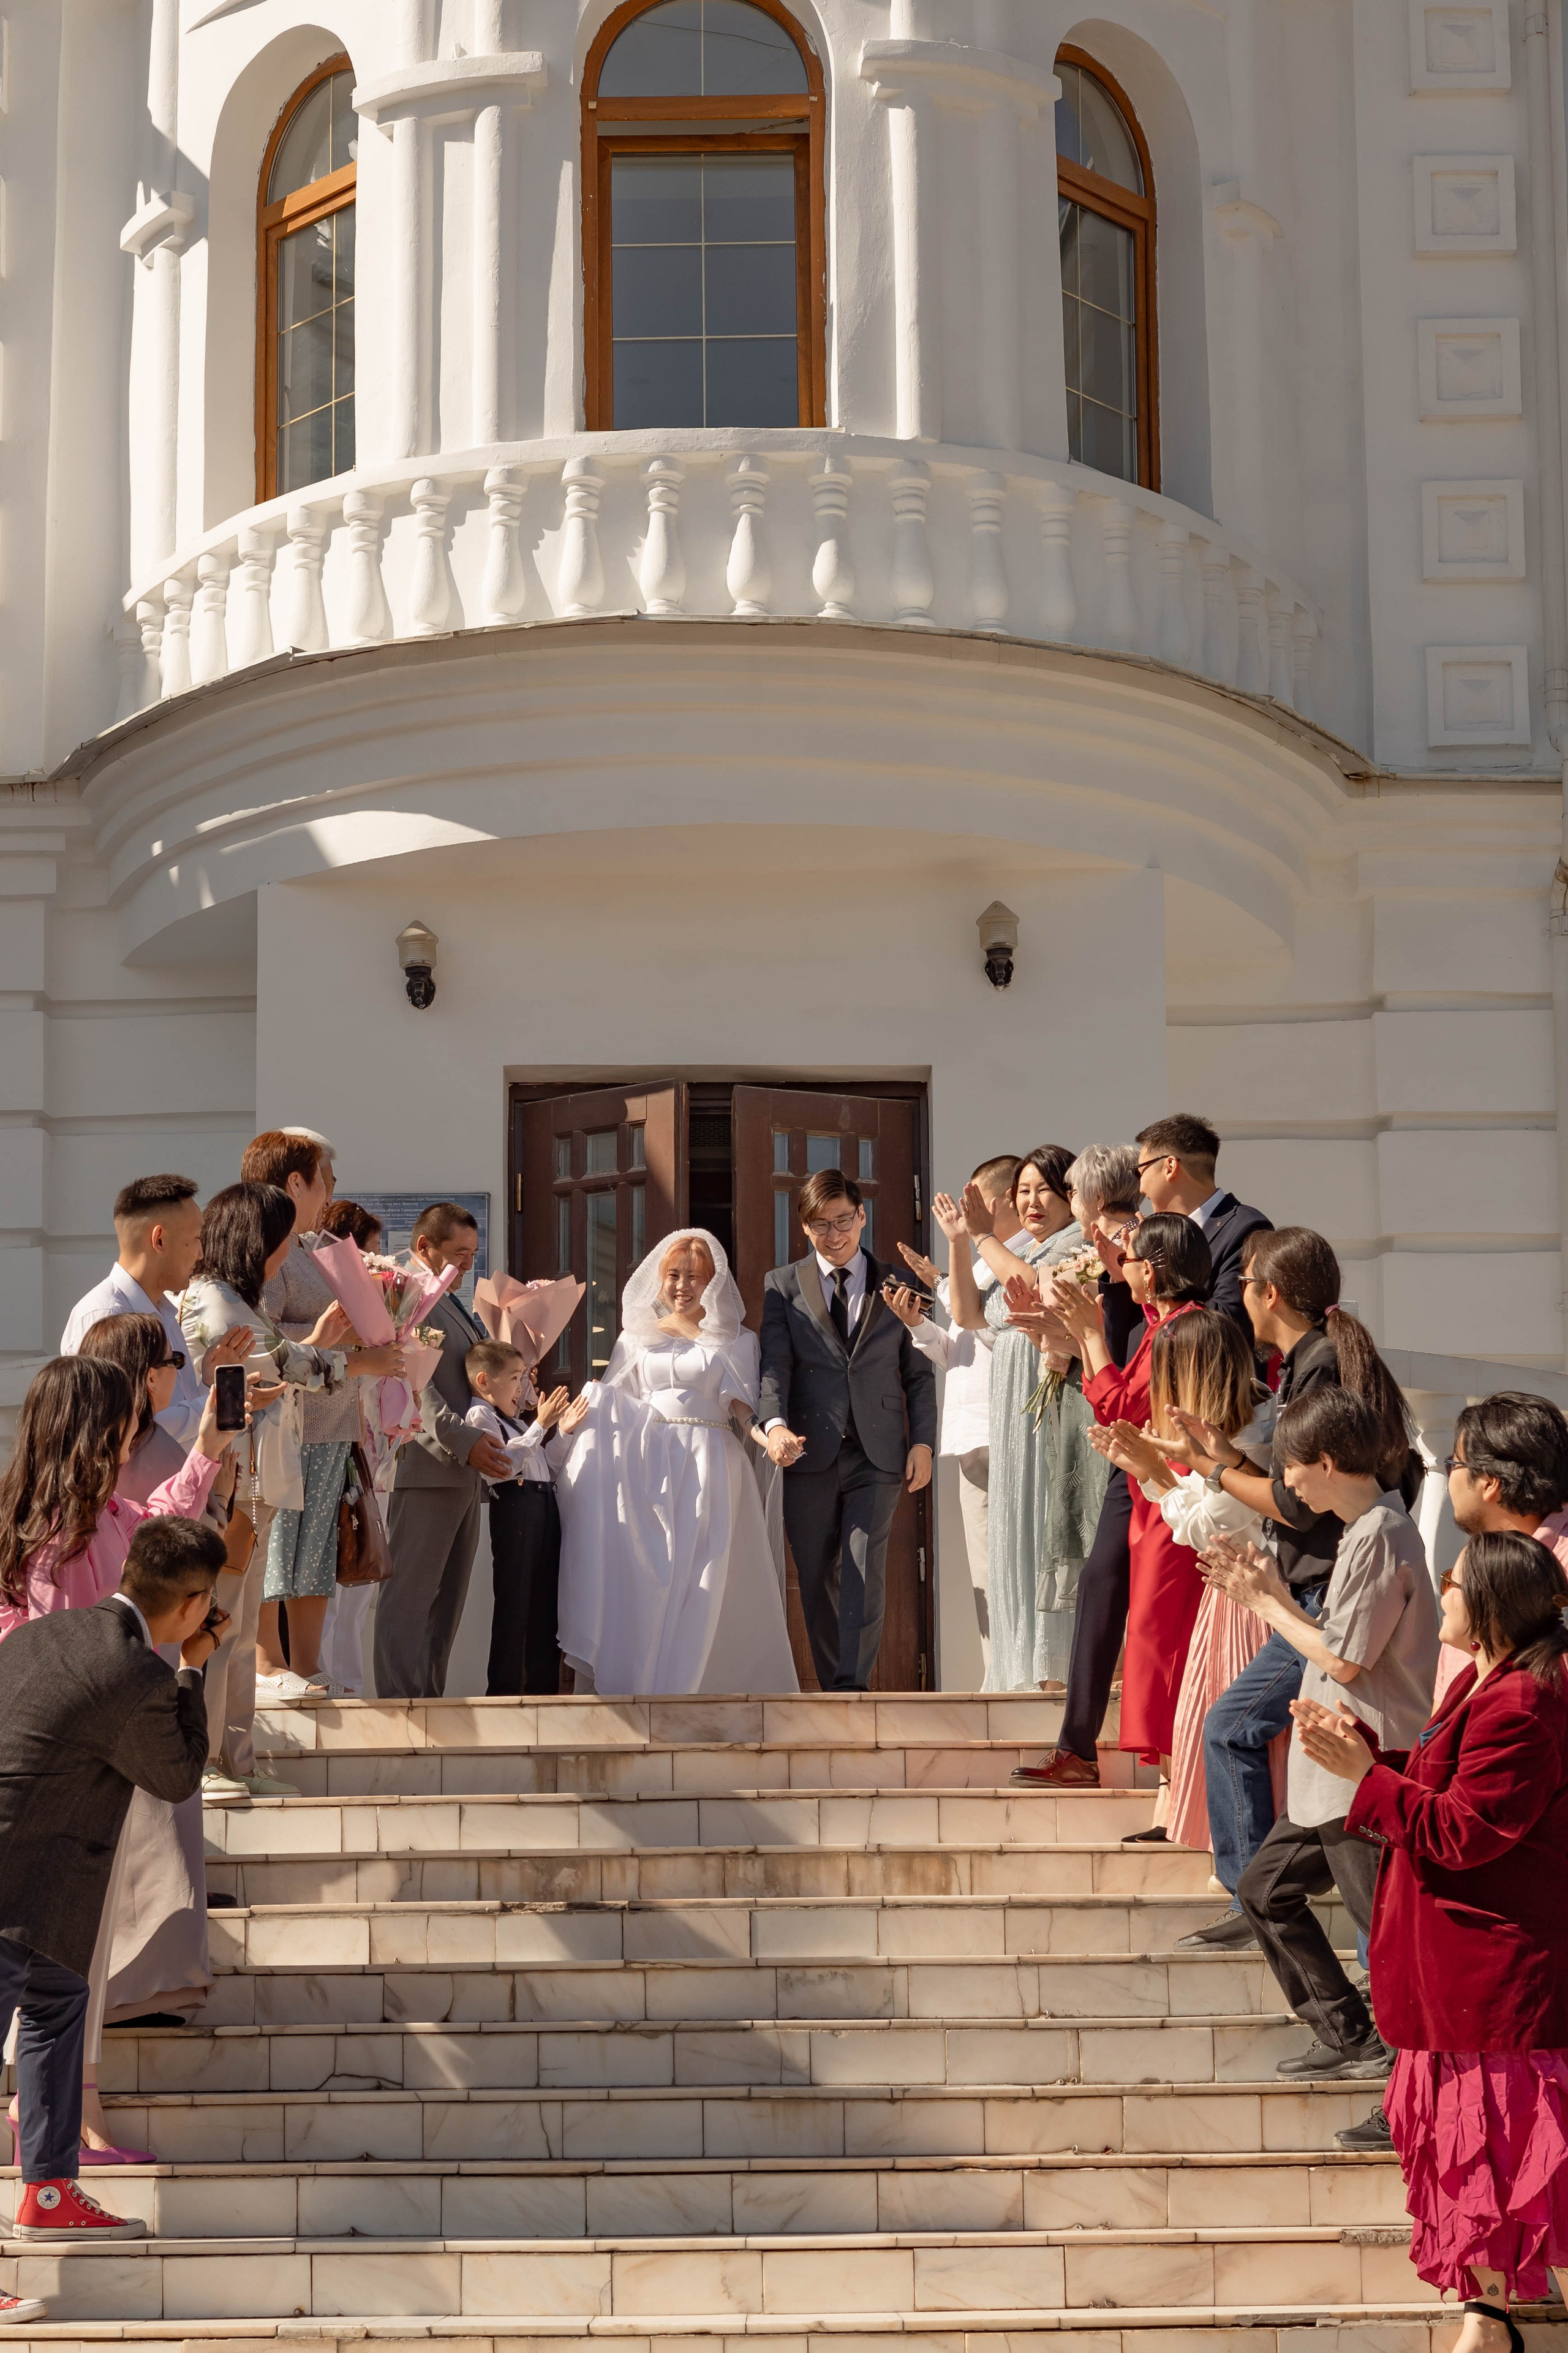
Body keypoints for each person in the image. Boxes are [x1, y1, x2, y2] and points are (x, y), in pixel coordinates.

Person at [1294, 1529, 1568, 2344]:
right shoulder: (1488, 1683)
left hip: (1494, 1971)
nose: (1439, 1592)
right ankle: (1492, 2314)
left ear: (1487, 1601)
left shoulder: (1524, 1701)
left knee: (1498, 2148)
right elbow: (1442, 1787)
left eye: (1450, 1580)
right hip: (1454, 1972)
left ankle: (1490, 2322)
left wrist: (1363, 1779)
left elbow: (1465, 1831)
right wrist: (1369, 1757)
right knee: (1471, 2149)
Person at [0, 1354, 241, 2155]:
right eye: (127, 1424)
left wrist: (208, 1448)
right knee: (55, 1967)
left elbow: (160, 1520)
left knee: (71, 1968)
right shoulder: (58, 1537)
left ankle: (68, 2128)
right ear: (95, 1430)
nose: (136, 1437)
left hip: (79, 1776)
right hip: (50, 1783)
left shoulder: (90, 1516)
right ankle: (60, 2132)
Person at [1161, 1226, 1418, 1946]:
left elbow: (1299, 1500)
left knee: (1242, 1733)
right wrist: (1221, 1455)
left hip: (1327, 1595)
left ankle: (1263, 1905)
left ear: (1268, 1292)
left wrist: (1215, 1471)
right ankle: (1266, 1903)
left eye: (1244, 1280)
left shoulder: (1320, 1364)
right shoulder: (1311, 1360)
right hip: (1321, 1591)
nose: (1239, 1294)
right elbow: (1290, 1485)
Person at [0, 1514, 223, 2278]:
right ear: (194, 1605)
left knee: (60, 2001)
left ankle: (51, 2192)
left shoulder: (42, 1635)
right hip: (11, 1883)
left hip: (39, 1884)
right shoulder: (140, 1675)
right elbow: (176, 1774)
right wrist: (193, 1671)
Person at [1202, 1387, 1438, 2079]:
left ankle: (1407, 2078)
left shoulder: (1381, 1533)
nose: (1287, 1483)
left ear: (1328, 1462)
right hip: (1330, 1768)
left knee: (1385, 1932)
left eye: (1292, 1467)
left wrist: (1263, 1603)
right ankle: (1347, 2033)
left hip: (1363, 1766)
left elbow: (1344, 1656)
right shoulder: (1365, 1532)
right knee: (1263, 1891)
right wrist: (1271, 1593)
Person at [556, 1229, 798, 1694]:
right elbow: (616, 1401)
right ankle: (643, 1682)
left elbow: (741, 1406)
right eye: (673, 1275)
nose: (683, 1285)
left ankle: (698, 1684)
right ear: (658, 1280)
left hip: (709, 1460)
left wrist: (768, 1438)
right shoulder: (635, 1338)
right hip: (644, 1470)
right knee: (650, 1577)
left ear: (713, 1281)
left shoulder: (735, 1340)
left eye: (694, 1276)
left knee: (703, 1575)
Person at [181, 1181, 360, 1794]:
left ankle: (237, 1758)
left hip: (256, 1482)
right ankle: (207, 1760)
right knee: (220, 1625)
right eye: (283, 1240)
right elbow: (270, 1370)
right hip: (231, 1485)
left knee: (239, 1626)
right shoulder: (214, 1301)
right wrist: (334, 1356)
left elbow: (270, 1367)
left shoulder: (235, 1296)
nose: (289, 1252)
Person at [74, 1316, 227, 2031]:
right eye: (167, 1360)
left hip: (134, 1678)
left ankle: (144, 1993)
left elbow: (149, 1523)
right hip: (96, 1702)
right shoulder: (66, 1508)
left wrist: (207, 1452)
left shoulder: (101, 1494)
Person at [1087, 1307, 1280, 1852]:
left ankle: (1246, 1873)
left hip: (1253, 1602)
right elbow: (1197, 1506)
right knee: (1209, 1726)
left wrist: (1151, 1470)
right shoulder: (1240, 1419)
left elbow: (1205, 1523)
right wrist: (1151, 1468)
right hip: (1229, 1596)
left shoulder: (1254, 1430)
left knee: (1231, 1734)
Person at [1042, 1211, 1213, 1791]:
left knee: (1158, 1634)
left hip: (1174, 1493)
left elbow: (1120, 1406)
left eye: (1132, 1258)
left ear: (1158, 1267)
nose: (1125, 1266)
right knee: (1149, 1629)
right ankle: (1170, 1785)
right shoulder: (1162, 1324)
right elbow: (1113, 1402)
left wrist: (1090, 1335)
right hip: (1152, 1491)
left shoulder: (1180, 1330)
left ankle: (1177, 1785)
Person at [758, 1173, 937, 1690]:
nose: (833, 1234)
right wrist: (773, 1425)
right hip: (808, 1450)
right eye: (820, 1224)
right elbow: (775, 1366)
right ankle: (837, 1679)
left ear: (862, 1216)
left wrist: (923, 1441)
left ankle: (850, 1688)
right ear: (804, 1226)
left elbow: (919, 1373)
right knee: (814, 1575)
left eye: (842, 1221)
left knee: (863, 1566)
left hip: (878, 1451)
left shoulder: (900, 1282)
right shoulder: (782, 1284)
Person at [1009, 1143, 1147, 1785]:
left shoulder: (1145, 1259)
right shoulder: (1103, 1266)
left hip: (1157, 1450)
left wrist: (1081, 1333)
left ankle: (1148, 1753)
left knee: (1132, 1594)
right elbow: (1096, 1355)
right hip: (1122, 1443)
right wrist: (1049, 1329)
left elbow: (1124, 1359)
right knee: (1100, 1582)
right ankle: (1079, 1749)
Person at [246, 1130, 399, 1703]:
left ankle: (306, 1665)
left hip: (332, 1418)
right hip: (286, 1420)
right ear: (295, 1183)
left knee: (316, 1550)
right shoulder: (266, 1249)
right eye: (324, 1182)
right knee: (277, 1543)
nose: (329, 1193)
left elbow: (333, 1331)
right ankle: (268, 1660)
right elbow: (256, 1339)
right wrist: (345, 1348)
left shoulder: (314, 1249)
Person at [929, 1147, 1090, 1691]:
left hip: (1055, 1407)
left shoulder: (1076, 1247)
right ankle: (1017, 1667)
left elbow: (1040, 1286)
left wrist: (983, 1239)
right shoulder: (1014, 1249)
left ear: (1070, 1195)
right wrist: (959, 1242)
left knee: (1049, 1530)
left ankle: (1056, 1667)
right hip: (1012, 1411)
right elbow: (969, 1314)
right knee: (1015, 1533)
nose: (1031, 1201)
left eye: (1044, 1189)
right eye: (1022, 1191)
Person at [884, 1155, 1022, 1677]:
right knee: (986, 1567)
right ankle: (998, 1673)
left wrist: (947, 1281)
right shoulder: (982, 1266)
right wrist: (920, 1322)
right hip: (971, 1432)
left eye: (975, 1202)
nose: (966, 1213)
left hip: (1009, 1430)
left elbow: (1007, 1336)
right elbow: (961, 1351)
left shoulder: (1022, 1257)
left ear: (998, 1201)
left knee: (1018, 1565)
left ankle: (1018, 1676)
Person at [375, 1203, 511, 1701]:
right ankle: (398, 1702)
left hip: (466, 1471)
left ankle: (428, 1701)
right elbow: (418, 1387)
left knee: (447, 1602)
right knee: (411, 1595)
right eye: (457, 1255)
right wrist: (464, 1442)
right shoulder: (406, 1296)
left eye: (472, 1256)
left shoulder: (451, 1302)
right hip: (430, 1465)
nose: (464, 1267)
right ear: (424, 1248)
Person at [59, 1174, 221, 1450]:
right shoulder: (106, 1315)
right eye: (195, 1239)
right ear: (159, 1240)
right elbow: (127, 1430)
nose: (201, 1254)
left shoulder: (164, 1311)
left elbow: (174, 1412)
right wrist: (214, 1406)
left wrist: (209, 1387)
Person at [463, 1337, 586, 1695]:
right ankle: (504, 1695)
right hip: (516, 1510)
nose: (524, 1387)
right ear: (484, 1381)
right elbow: (502, 1466)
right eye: (516, 1378)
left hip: (543, 1506)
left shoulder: (517, 1424)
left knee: (545, 1606)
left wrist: (561, 1431)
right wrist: (540, 1426)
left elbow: (548, 1466)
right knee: (516, 1605)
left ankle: (542, 1694)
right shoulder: (479, 1416)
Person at [314, 1201, 386, 1694]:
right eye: (369, 1253)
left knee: (362, 1567)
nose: (375, 1264)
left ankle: (352, 1685)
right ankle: (325, 1678)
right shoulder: (325, 1295)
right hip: (331, 1435)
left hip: (374, 1443)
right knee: (331, 1571)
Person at [1132, 1114, 1271, 1331]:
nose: (1140, 1188)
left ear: (1169, 1166)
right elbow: (1128, 1343)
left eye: (1141, 1171)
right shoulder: (1158, 1234)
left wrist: (1157, 1294)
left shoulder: (1245, 1228)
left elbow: (1227, 1319)